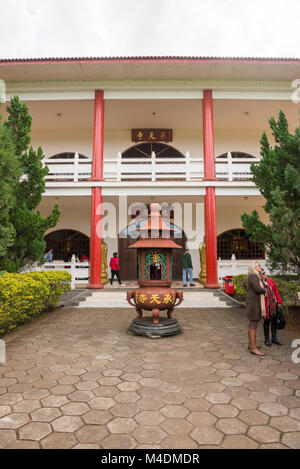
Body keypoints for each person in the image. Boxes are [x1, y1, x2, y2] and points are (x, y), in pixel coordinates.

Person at [245, 261, 266, 356]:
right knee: (254, 323)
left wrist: (262, 277)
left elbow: (259, 285)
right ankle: (253, 348)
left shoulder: (254, 276)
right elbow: (258, 289)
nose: (260, 267)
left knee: (253, 323)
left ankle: (251, 344)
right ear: (254, 267)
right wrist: (265, 290)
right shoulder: (253, 275)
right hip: (254, 303)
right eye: (258, 266)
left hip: (254, 302)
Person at [261, 270, 283, 346]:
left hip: (274, 304)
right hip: (267, 306)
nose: (265, 274)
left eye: (264, 272)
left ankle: (274, 338)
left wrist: (279, 301)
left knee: (274, 321)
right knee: (267, 322)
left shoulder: (270, 280)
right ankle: (266, 339)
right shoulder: (260, 283)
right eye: (263, 273)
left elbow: (276, 291)